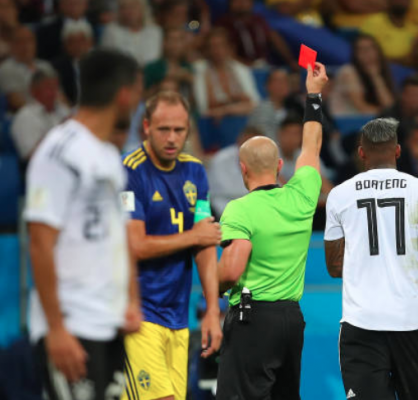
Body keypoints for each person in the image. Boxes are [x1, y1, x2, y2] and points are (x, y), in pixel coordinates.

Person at [25, 49, 142, 400]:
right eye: (138, 91)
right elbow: (39, 242)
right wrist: (56, 329)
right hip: (73, 323)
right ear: (124, 93)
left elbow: (120, 235)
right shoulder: (60, 151)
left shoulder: (107, 155)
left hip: (111, 322)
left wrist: (131, 300)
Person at [324, 118, 418, 400]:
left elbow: (334, 267)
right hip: (410, 321)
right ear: (398, 151)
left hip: (361, 322)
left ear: (361, 153)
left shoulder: (339, 195)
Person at [216, 62, 327, 400]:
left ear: (242, 168)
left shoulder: (239, 209)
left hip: (253, 319)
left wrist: (214, 283)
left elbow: (233, 269)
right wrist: (314, 95)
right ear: (280, 166)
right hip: (291, 320)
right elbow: (311, 147)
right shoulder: (302, 196)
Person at [120, 90, 223, 400]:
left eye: (179, 130)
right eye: (164, 129)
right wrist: (194, 236)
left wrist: (212, 311)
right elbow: (135, 245)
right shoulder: (129, 171)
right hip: (139, 315)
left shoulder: (195, 171)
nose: (171, 138)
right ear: (147, 127)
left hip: (178, 318)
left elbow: (205, 246)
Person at [193, 28, 260, 118]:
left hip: (241, 117)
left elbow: (254, 103)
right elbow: (204, 107)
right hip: (211, 121)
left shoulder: (241, 69)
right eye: (213, 46)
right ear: (207, 50)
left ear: (229, 48)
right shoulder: (200, 69)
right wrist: (237, 99)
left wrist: (225, 109)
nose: (217, 50)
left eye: (221, 45)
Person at [215, 0, 299, 70]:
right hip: (239, 68)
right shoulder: (224, 24)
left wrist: (290, 60)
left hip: (263, 65)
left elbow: (274, 38)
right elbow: (223, 50)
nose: (241, 3)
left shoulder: (258, 20)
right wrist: (246, 65)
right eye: (237, 1)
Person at [11, 69, 70, 162]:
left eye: (55, 87)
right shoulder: (25, 116)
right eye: (48, 88)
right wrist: (60, 131)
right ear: (33, 91)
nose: (53, 93)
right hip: (41, 170)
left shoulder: (63, 111)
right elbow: (32, 155)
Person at [330, 34, 395, 116]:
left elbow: (389, 105)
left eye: (370, 48)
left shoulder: (381, 71)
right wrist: (390, 114)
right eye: (361, 50)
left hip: (368, 121)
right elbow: (361, 107)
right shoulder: (348, 71)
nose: (366, 53)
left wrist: (376, 77)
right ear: (355, 54)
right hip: (345, 121)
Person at [0, 26, 55, 112]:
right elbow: (15, 101)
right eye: (21, 41)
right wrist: (43, 113)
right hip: (27, 115)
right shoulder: (6, 68)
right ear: (12, 45)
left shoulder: (45, 66)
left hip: (52, 113)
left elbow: (59, 95)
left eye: (30, 40)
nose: (27, 45)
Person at [208, 126, 262, 216]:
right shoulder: (221, 159)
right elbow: (222, 193)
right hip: (221, 208)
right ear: (239, 142)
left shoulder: (265, 161)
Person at [361, 0, 418, 67]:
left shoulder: (415, 29)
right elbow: (365, 56)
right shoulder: (373, 23)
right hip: (380, 70)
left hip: (407, 72)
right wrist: (400, 61)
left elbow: (414, 60)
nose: (401, 2)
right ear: (388, 2)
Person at [100, 0, 163, 66]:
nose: (129, 11)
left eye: (133, 7)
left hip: (151, 73)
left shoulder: (155, 31)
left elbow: (157, 59)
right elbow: (106, 59)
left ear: (142, 9)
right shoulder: (111, 30)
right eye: (124, 8)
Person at [51, 19, 94, 106]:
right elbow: (59, 95)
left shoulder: (99, 64)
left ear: (90, 42)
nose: (77, 46)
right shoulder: (57, 67)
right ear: (65, 45)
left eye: (82, 41)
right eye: (72, 42)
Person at [143, 28, 194, 100]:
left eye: (179, 40)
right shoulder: (152, 68)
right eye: (172, 39)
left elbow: (196, 101)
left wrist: (192, 81)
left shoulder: (188, 67)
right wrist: (162, 84)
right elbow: (142, 97)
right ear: (164, 43)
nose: (176, 44)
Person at [247, 69, 293, 141]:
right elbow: (265, 139)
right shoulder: (262, 110)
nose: (282, 85)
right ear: (267, 85)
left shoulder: (294, 109)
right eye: (278, 81)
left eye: (285, 81)